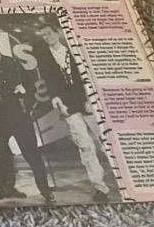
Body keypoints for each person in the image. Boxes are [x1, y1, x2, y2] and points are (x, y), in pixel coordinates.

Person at [0, 28, 54, 203]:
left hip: (18, 115)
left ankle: (45, 191)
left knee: (32, 154)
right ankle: (7, 189)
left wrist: (25, 96)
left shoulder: (13, 63)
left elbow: (31, 88)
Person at [32, 19, 111, 202]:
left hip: (87, 101)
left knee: (106, 140)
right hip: (68, 106)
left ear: (57, 33)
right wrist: (57, 100)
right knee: (85, 145)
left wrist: (90, 99)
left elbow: (89, 76)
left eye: (49, 33)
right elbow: (49, 83)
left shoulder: (75, 52)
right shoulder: (44, 59)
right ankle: (100, 187)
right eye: (43, 36)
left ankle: (125, 179)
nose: (47, 37)